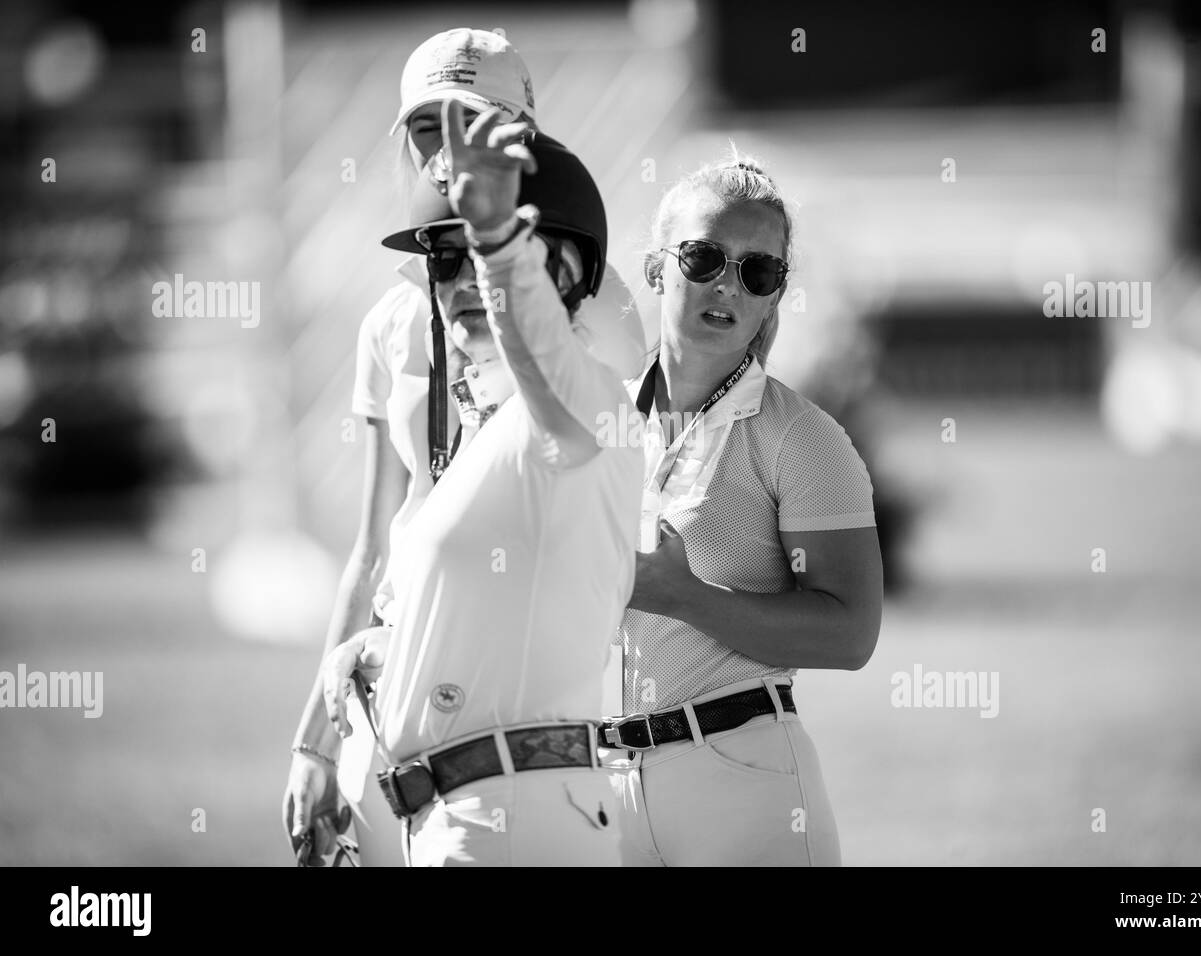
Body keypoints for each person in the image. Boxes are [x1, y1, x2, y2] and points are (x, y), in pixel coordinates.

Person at [282, 27, 641, 866]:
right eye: (423, 128)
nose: (445, 152)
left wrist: (498, 258)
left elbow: (587, 475)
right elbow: (377, 546)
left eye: (469, 125)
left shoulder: (591, 313)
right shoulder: (398, 320)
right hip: (404, 671)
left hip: (519, 699)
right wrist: (317, 740)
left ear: (524, 137)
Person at [602, 151, 884, 866]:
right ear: (656, 267)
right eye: (704, 257)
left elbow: (851, 636)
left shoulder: (802, 437)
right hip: (595, 790)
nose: (728, 283)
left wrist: (684, 596)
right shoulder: (596, 421)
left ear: (773, 296)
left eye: (759, 271)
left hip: (741, 782)